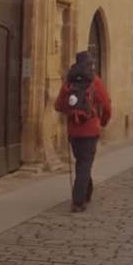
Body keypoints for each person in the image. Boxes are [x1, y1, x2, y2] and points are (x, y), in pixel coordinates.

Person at [54, 51, 112, 212]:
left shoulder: (69, 82)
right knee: (84, 164)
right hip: (90, 129)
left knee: (82, 162)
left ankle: (87, 191)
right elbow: (106, 104)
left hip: (74, 131)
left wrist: (71, 111)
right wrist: (104, 121)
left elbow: (58, 105)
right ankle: (78, 201)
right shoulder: (95, 81)